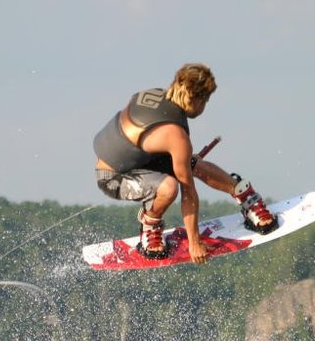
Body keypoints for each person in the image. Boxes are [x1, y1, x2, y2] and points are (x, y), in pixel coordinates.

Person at [93, 62, 277, 263]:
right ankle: (150, 225)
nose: (204, 107)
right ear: (195, 99)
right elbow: (188, 193)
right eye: (205, 101)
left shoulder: (157, 95)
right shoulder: (177, 136)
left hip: (139, 161)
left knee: (188, 162)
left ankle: (247, 198)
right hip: (113, 178)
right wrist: (194, 242)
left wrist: (182, 159)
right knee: (170, 187)